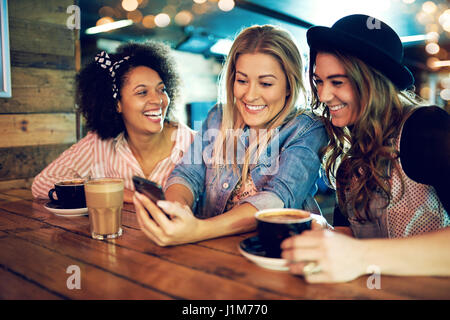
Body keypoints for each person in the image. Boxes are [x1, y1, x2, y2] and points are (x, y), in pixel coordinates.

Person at [281, 14, 450, 283]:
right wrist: (320, 239)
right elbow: (350, 236)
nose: (323, 96)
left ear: (373, 82)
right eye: (318, 81)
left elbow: (360, 252)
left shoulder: (426, 127)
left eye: (337, 82)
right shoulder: (349, 162)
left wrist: (361, 255)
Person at [133, 25, 329, 246]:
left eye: (265, 83)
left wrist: (198, 230)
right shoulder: (218, 116)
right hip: (211, 250)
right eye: (242, 80)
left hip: (274, 253)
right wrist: (175, 214)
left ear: (289, 86)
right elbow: (188, 174)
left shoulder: (307, 128)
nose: (250, 95)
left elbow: (277, 200)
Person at [32, 42, 195, 203]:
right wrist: (118, 192)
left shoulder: (196, 144)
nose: (158, 99)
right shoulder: (98, 145)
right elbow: (41, 184)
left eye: (161, 89)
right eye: (142, 92)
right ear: (116, 104)